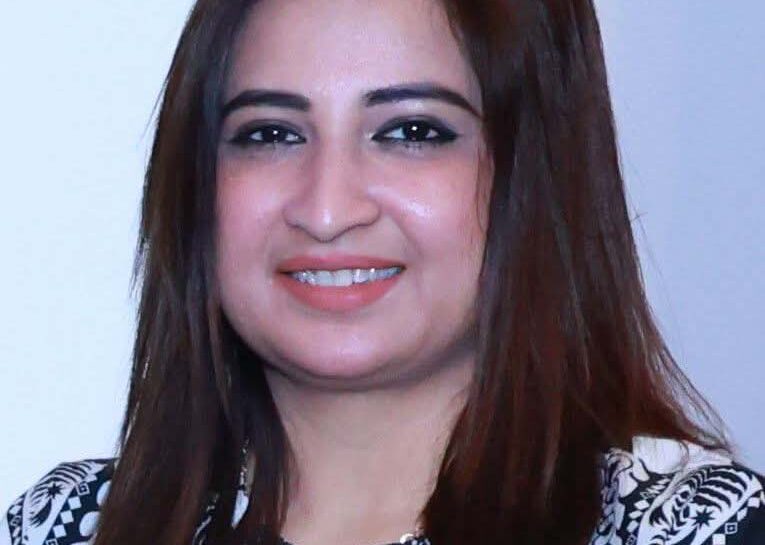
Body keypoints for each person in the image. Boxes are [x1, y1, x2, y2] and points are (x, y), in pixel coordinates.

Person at [2, 1, 763, 544]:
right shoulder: (65, 525)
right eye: (270, 134)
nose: (327, 210)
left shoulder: (689, 529)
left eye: (411, 131)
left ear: (535, 177)